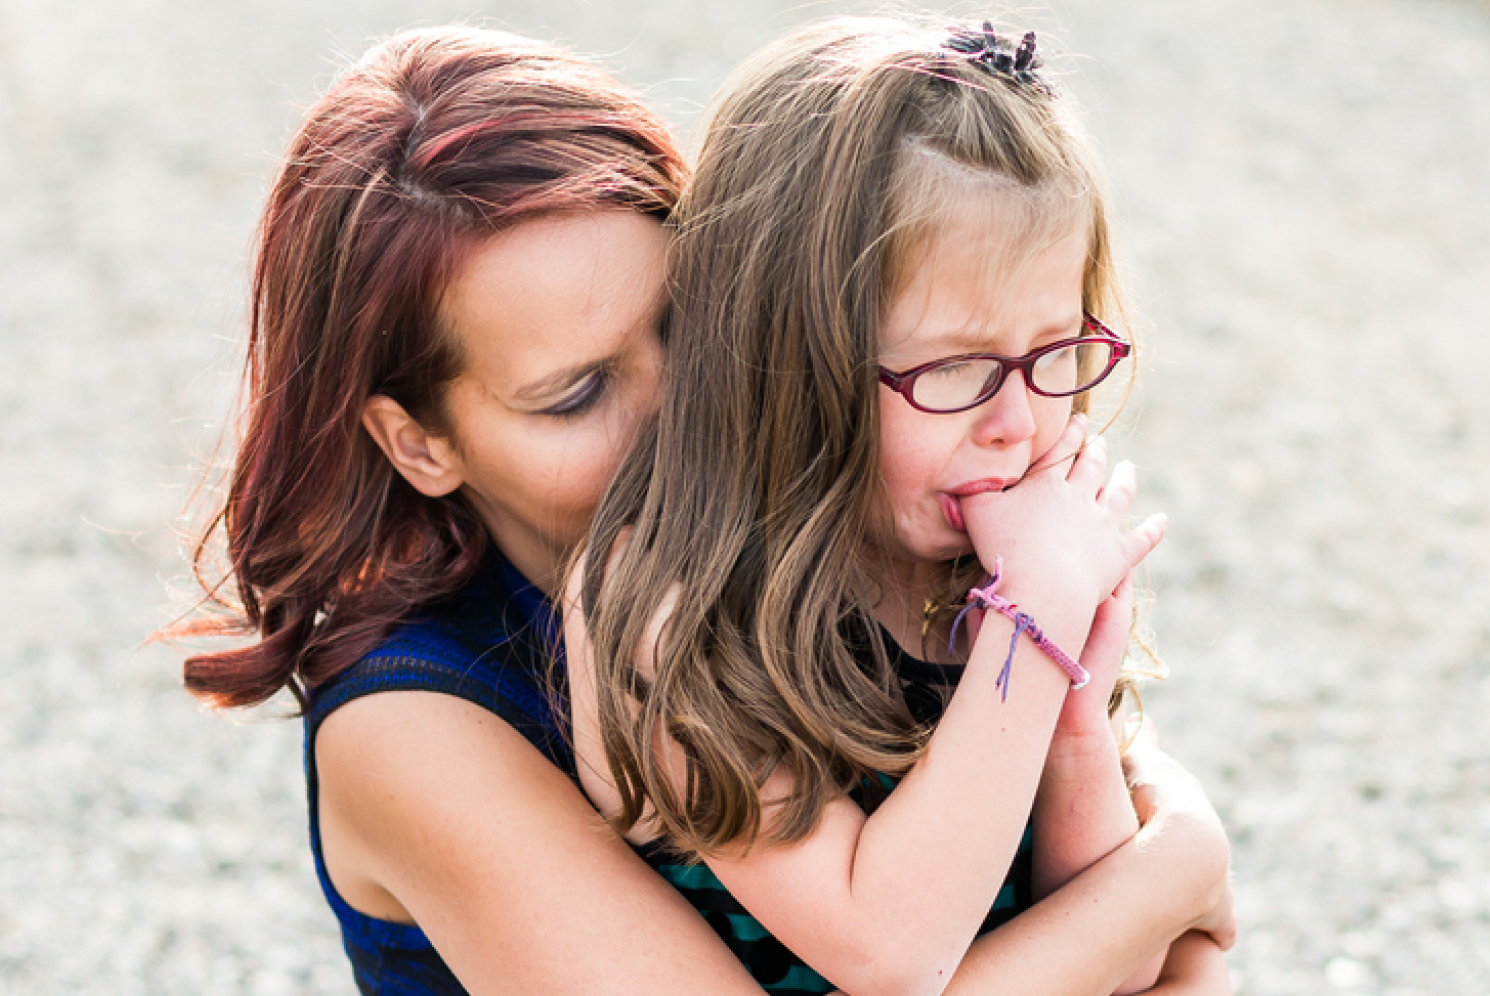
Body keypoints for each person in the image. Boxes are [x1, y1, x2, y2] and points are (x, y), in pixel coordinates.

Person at [164, 24, 1233, 996]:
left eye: (688, 325)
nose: (681, 410)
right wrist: (1177, 868)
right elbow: (1039, 927)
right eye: (575, 395)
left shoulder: (812, 555)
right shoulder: (414, 725)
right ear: (420, 441)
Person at [572, 16, 1228, 996]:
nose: (1018, 422)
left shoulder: (995, 556)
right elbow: (890, 951)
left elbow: (1119, 959)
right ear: (789, 361)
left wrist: (1078, 728)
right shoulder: (665, 607)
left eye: (1054, 353)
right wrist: (1036, 621)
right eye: (958, 366)